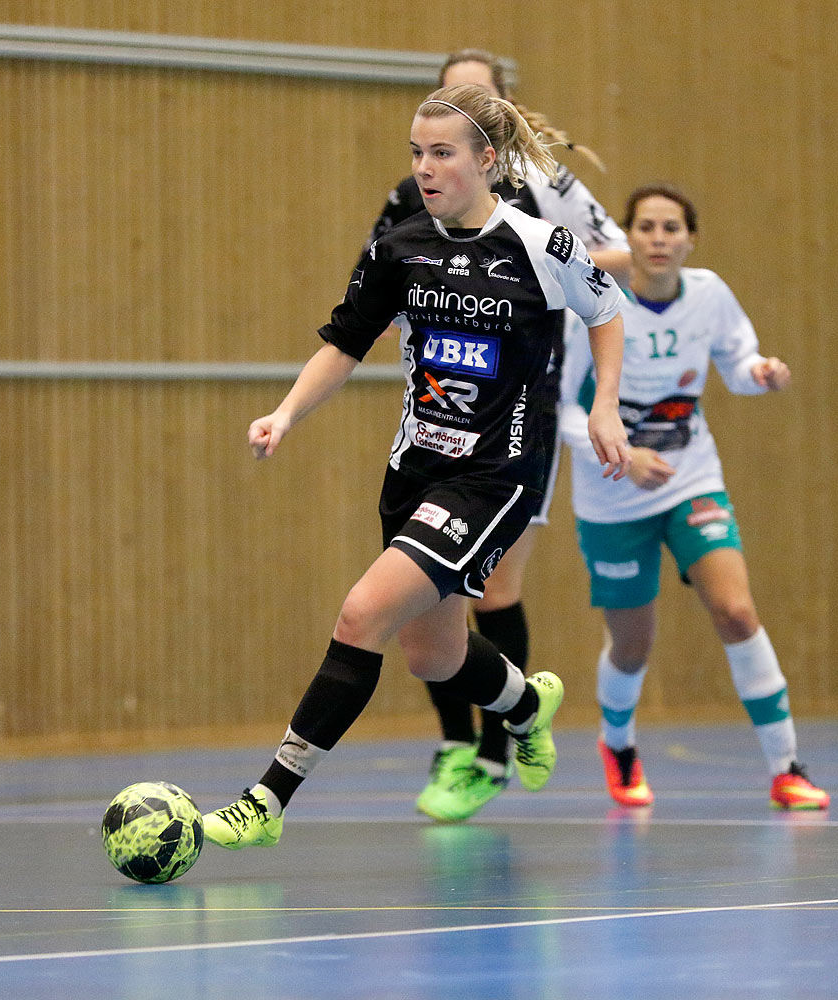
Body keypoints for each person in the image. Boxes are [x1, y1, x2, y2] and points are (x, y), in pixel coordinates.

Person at [201, 84, 632, 850]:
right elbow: (343, 344)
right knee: (434, 657)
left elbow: (606, 310)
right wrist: (286, 414)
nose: (425, 168)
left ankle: (267, 799)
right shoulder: (400, 248)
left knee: (361, 615)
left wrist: (603, 409)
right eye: (416, 152)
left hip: (495, 476)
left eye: (442, 153)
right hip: (415, 471)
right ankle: (528, 708)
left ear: (486, 161)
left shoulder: (542, 245)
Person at [367, 48, 632, 823]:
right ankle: (457, 744)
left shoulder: (544, 193)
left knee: (493, 588)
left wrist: (539, 261)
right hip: (437, 417)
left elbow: (609, 262)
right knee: (423, 594)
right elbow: (374, 281)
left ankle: (496, 744)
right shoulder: (413, 197)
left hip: (521, 413)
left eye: (474, 100)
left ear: (498, 123)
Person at [559, 183, 830, 811]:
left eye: (671, 228)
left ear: (690, 239)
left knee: (735, 611)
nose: (659, 240)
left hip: (691, 478)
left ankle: (787, 767)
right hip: (613, 495)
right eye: (647, 228)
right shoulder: (594, 304)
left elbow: (738, 365)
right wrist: (624, 456)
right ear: (628, 237)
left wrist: (762, 375)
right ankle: (618, 745)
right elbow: (561, 411)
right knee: (633, 642)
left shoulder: (709, 296)